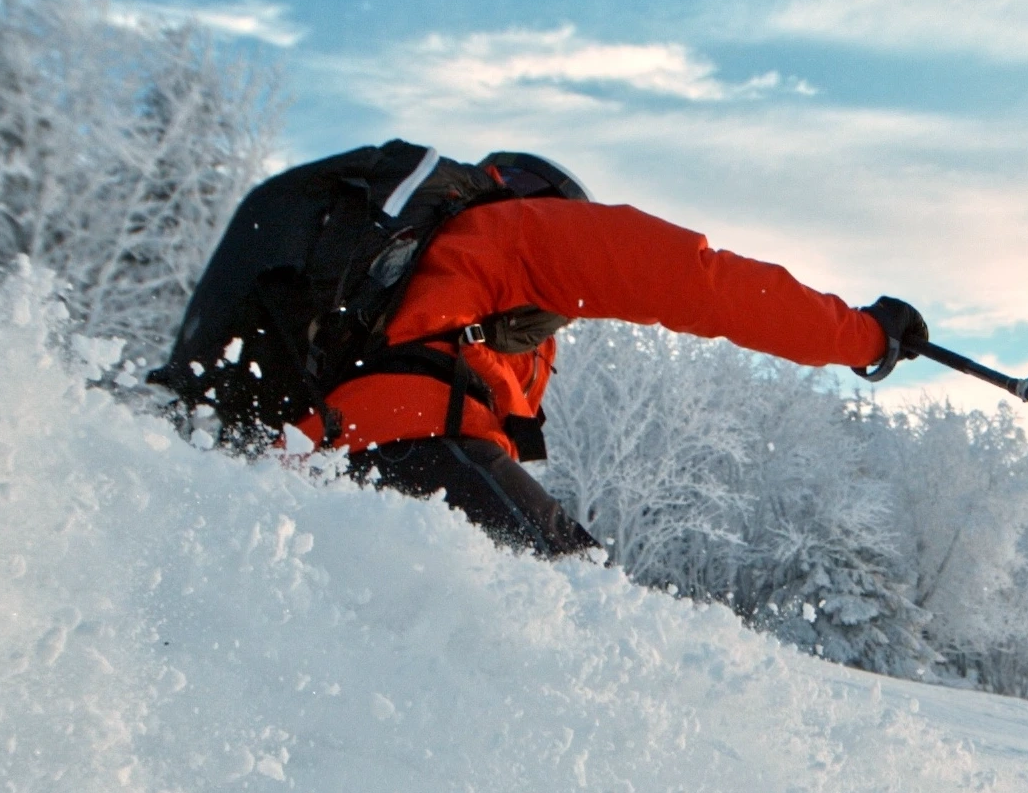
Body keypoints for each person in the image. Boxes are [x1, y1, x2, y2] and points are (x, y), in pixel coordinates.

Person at [289, 153, 928, 556]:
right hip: (415, 440)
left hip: (322, 465)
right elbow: (701, 283)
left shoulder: (444, 274)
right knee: (582, 612)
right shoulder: (520, 231)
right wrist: (863, 335)